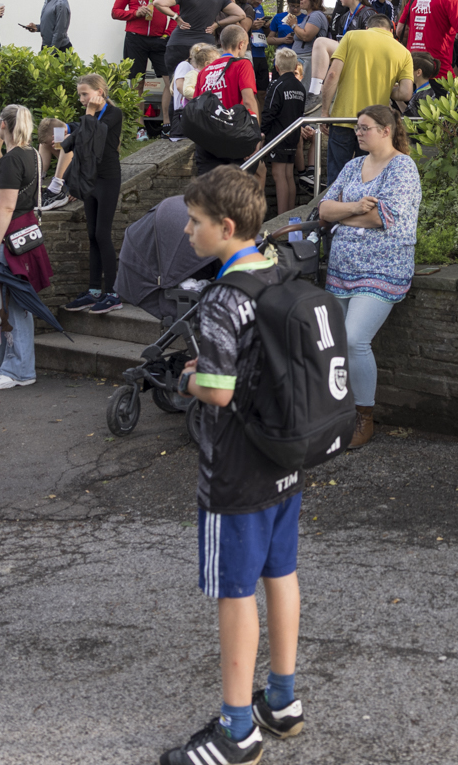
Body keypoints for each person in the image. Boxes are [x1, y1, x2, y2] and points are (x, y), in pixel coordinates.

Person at [161, 167, 307, 765]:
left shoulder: (224, 298)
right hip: (284, 456)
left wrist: (186, 379)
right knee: (281, 574)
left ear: (225, 227)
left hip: (237, 468)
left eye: (194, 222)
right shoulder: (278, 271)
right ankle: (283, 701)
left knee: (234, 592)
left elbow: (219, 392)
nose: (188, 231)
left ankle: (237, 732)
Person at [318, 105, 423, 452]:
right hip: (342, 268)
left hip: (383, 267)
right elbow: (324, 209)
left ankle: (364, 416)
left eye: (365, 128)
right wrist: (354, 208)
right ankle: (338, 411)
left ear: (386, 130)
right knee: (333, 341)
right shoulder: (352, 166)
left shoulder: (402, 168)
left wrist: (344, 215)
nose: (358, 133)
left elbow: (382, 218)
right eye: (357, 128)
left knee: (353, 339)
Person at [0, 104, 51, 390]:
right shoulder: (30, 154)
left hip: (9, 237)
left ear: (3, 125)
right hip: (23, 233)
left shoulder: (12, 160)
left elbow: (6, 206)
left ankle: (20, 370)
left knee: (13, 304)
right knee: (3, 301)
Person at [45, 74, 126, 311]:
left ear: (100, 92)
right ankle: (94, 290)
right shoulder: (89, 117)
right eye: (79, 94)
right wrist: (65, 131)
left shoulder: (114, 114)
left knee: (102, 234)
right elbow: (76, 134)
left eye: (85, 94)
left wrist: (87, 115)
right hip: (91, 179)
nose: (81, 99)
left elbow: (92, 135)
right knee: (92, 234)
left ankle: (112, 293)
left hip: (108, 179)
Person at [317, 9, 415, 178]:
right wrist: (386, 87)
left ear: (367, 27)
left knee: (337, 178)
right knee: (368, 178)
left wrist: (325, 112)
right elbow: (406, 93)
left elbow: (332, 75)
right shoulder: (404, 52)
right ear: (391, 30)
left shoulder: (352, 36)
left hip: (343, 118)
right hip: (375, 124)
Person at [157, 0, 248, 118]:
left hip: (178, 45)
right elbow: (240, 14)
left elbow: (159, 2)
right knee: (204, 86)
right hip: (205, 50)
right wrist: (217, 24)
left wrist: (176, 17)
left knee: (177, 88)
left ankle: (176, 125)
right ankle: (202, 123)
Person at [114, 0, 178, 130]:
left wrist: (167, 34)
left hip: (160, 40)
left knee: (170, 81)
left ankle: (167, 123)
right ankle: (139, 127)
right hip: (135, 39)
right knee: (137, 83)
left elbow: (177, 12)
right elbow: (115, 11)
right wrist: (135, 13)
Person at [192, 24, 262, 175]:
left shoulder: (204, 71)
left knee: (209, 186)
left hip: (207, 140)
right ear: (241, 44)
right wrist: (256, 136)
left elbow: (196, 106)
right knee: (236, 186)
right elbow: (249, 101)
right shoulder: (242, 64)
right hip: (234, 136)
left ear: (222, 44)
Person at [262, 48, 309, 216]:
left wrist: (262, 132)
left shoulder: (277, 85)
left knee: (279, 175)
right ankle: (289, 216)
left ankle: (281, 217)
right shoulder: (300, 87)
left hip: (278, 136)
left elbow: (269, 111)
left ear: (277, 67)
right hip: (293, 135)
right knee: (289, 175)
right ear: (295, 66)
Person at [173, 42, 218, 135]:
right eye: (215, 63)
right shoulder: (193, 73)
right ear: (207, 64)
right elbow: (186, 90)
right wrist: (204, 96)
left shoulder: (208, 75)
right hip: (192, 112)